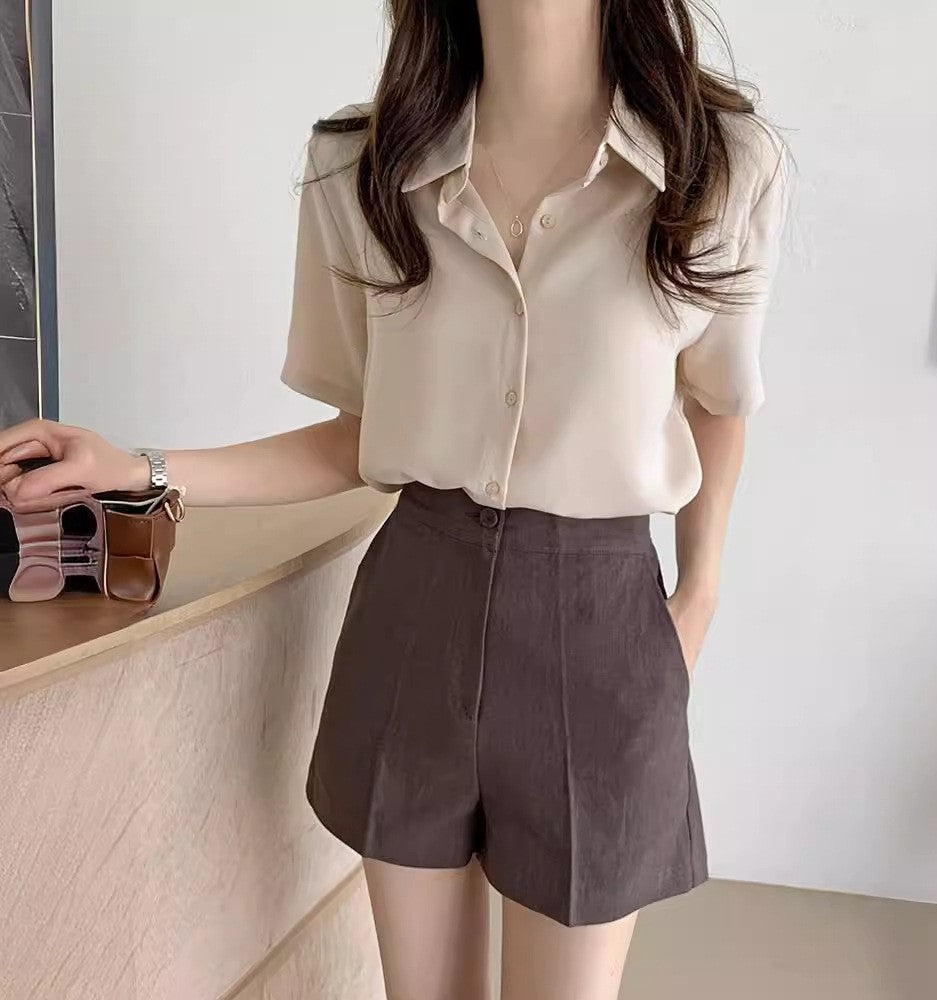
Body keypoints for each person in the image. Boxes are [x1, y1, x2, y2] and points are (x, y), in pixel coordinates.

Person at [0, 1, 790, 997]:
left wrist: (698, 597)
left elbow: (718, 402)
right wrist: (141, 467)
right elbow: (359, 438)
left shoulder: (719, 162)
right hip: (415, 611)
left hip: (601, 631)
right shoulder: (358, 168)